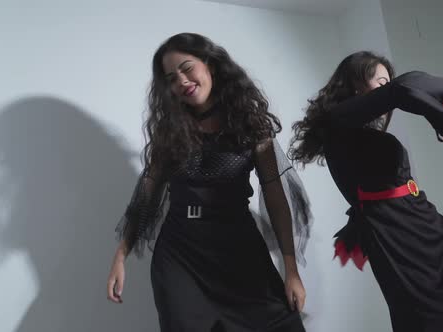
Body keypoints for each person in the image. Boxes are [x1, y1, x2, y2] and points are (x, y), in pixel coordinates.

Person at [289, 51, 443, 331]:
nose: (387, 89)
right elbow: (405, 88)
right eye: (381, 82)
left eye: (388, 82)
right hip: (399, 246)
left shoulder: (364, 130)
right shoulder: (337, 122)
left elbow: (403, 89)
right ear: (357, 85)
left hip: (435, 232)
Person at [106, 33, 311, 332]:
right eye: (171, 78)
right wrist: (120, 255)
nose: (182, 81)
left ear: (210, 65)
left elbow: (276, 199)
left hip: (238, 251)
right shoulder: (170, 131)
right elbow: (147, 195)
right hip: (180, 256)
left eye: (187, 68)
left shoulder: (251, 124)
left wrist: (290, 270)